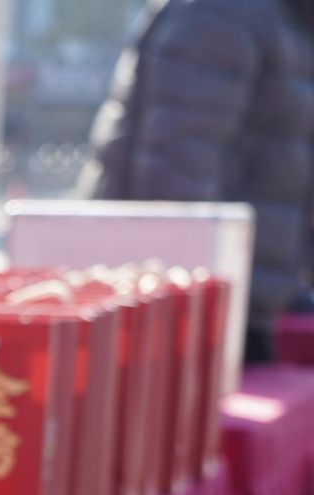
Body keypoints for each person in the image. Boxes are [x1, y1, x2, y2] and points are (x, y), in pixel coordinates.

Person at [80, 0, 314, 361]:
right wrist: (200, 316)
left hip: (241, 300)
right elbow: (175, 174)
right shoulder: (221, 12)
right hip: (191, 313)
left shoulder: (282, 17)